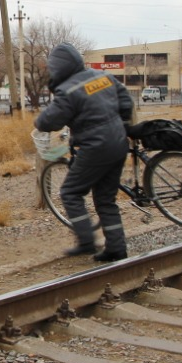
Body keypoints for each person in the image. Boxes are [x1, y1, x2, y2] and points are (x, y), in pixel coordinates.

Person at [35, 43, 133, 262]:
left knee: (70, 192)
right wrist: (122, 122)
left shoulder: (67, 90)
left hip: (95, 146)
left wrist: (38, 121)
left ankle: (87, 241)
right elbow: (126, 99)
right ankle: (116, 247)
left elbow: (49, 120)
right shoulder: (102, 76)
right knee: (106, 199)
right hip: (118, 143)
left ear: (59, 67)